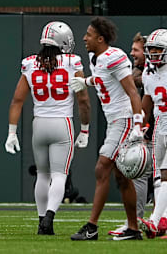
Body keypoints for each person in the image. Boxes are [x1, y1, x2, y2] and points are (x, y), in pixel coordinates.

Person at [4, 21, 90, 235]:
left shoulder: (30, 63)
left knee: (42, 175)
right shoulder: (72, 62)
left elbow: (17, 100)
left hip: (39, 124)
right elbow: (83, 100)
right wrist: (85, 128)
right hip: (62, 123)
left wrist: (12, 132)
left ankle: (41, 220)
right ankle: (50, 216)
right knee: (59, 175)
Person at [68, 17, 145, 241]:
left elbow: (132, 91)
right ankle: (133, 228)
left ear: (101, 39)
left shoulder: (114, 57)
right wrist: (86, 82)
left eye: (89, 35)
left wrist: (138, 125)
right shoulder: (97, 59)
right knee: (122, 177)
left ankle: (91, 226)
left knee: (102, 168)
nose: (84, 38)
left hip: (124, 118)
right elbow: (102, 78)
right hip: (114, 120)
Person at [112, 32, 156, 236]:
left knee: (159, 177)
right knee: (141, 173)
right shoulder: (144, 71)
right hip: (149, 130)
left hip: (159, 130)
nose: (132, 53)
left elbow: (138, 83)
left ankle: (155, 220)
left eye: (136, 49)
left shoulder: (154, 72)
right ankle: (139, 221)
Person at [136, 29, 167, 238]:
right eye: (152, 49)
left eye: (159, 49)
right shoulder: (149, 72)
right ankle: (160, 220)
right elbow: (146, 104)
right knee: (158, 177)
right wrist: (138, 127)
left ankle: (157, 220)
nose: (154, 53)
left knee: (166, 175)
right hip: (159, 126)